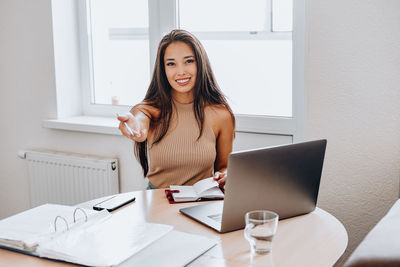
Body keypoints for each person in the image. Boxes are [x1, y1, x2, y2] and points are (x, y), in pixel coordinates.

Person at [118, 29, 235, 190]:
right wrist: (135, 128)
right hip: (158, 200)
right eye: (171, 63)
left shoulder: (221, 115)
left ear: (200, 63)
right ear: (163, 69)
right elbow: (139, 122)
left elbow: (223, 166)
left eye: (189, 61)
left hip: (203, 201)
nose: (181, 72)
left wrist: (225, 175)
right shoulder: (150, 109)